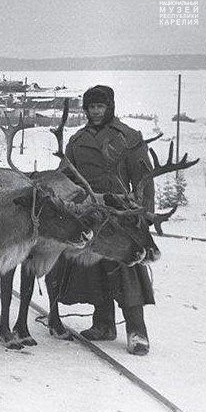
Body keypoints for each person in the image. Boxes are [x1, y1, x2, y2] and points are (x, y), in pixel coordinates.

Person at [54, 84, 155, 355]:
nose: (96, 112)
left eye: (100, 106)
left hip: (121, 215)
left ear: (110, 107)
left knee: (126, 269)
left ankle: (137, 331)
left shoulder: (129, 137)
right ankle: (103, 324)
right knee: (94, 270)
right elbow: (65, 175)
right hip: (91, 214)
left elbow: (144, 180)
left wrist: (144, 217)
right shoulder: (77, 141)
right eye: (91, 107)